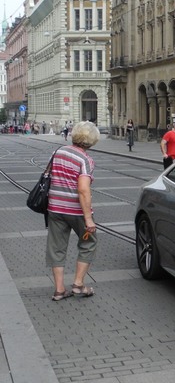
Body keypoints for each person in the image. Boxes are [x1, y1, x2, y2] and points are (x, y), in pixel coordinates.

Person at [46, 121, 100, 301]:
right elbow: (83, 190)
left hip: (54, 208)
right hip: (76, 212)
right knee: (88, 243)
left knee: (57, 248)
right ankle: (78, 284)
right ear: (92, 140)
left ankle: (59, 290)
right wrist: (88, 219)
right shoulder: (85, 160)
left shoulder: (57, 152)